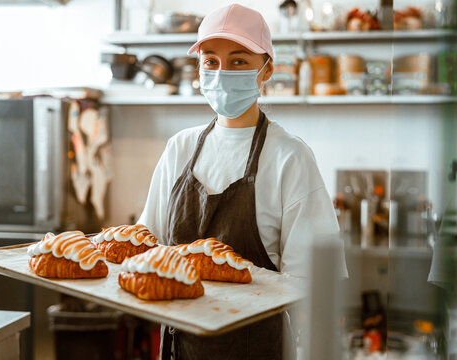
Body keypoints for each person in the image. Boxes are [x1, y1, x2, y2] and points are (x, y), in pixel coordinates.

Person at [138, 3, 348, 359]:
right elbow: (148, 248)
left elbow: (312, 281)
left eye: (238, 61)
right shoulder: (180, 148)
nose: (221, 74)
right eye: (210, 61)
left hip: (258, 348)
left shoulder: (289, 157)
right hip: (180, 346)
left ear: (266, 70)